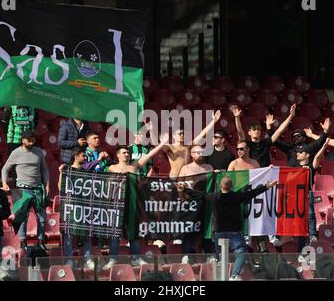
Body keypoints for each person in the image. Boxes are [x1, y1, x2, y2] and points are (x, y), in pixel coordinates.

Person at [176, 176, 278, 281]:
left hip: (219, 234)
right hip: (234, 234)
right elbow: (252, 193)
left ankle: (221, 275)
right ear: (232, 187)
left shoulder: (214, 197)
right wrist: (266, 186)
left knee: (221, 257)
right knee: (241, 252)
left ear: (220, 186)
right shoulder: (237, 197)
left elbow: (200, 195)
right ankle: (234, 276)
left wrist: (185, 189)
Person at [104, 134, 169, 268]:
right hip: (117, 204)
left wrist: (162, 144)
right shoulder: (111, 169)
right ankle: (112, 259)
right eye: (124, 152)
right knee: (115, 233)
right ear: (118, 155)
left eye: (128, 152)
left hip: (133, 204)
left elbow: (149, 155)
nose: (127, 154)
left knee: (133, 231)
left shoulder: (134, 166)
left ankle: (135, 258)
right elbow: (105, 186)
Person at [1, 130, 50, 250]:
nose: (32, 142)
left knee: (42, 218)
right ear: (23, 140)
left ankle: (40, 241)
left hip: (38, 188)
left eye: (33, 139)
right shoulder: (16, 153)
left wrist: (47, 184)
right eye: (29, 140)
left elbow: (44, 169)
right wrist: (4, 182)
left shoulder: (38, 152)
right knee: (21, 218)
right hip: (21, 189)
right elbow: (5, 169)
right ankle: (23, 242)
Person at [57, 148, 95, 269]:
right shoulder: (67, 170)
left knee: (86, 234)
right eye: (83, 156)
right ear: (76, 156)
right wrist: (61, 173)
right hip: (71, 206)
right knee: (68, 234)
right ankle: (69, 260)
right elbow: (60, 187)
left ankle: (88, 259)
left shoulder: (87, 171)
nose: (86, 158)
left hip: (85, 206)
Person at [160, 110, 222, 179]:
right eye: (180, 133)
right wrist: (151, 131)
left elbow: (202, 134)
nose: (182, 135)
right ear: (174, 135)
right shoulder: (170, 147)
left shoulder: (189, 146)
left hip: (188, 180)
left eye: (183, 133)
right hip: (174, 179)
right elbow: (157, 147)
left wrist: (214, 121)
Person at [232, 104, 296, 168]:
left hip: (265, 173)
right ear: (249, 133)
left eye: (258, 130)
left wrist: (290, 116)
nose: (257, 131)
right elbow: (240, 131)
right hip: (253, 172)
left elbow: (279, 131)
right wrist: (237, 118)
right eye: (254, 130)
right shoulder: (247, 144)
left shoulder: (265, 143)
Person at [295, 138, 330, 251]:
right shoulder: (294, 167)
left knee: (310, 214)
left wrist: (324, 147)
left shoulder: (310, 166)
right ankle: (301, 242)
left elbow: (317, 158)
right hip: (296, 195)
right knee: (299, 218)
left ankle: (312, 235)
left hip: (307, 192)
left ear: (307, 155)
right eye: (298, 152)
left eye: (301, 152)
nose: (298, 154)